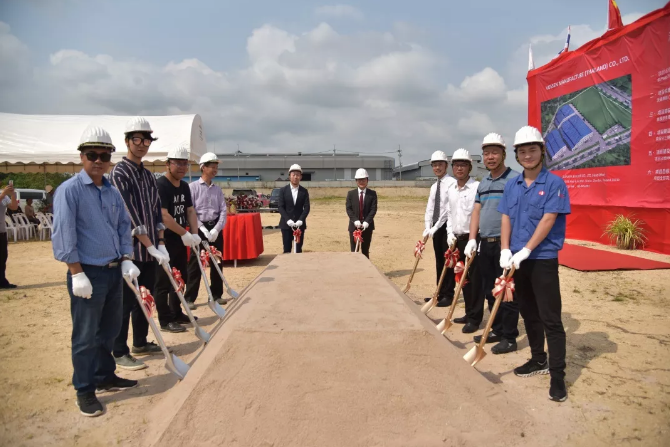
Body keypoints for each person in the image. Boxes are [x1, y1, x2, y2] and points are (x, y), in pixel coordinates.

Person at [51, 126, 141, 417]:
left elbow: (123, 227)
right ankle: (85, 389)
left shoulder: (112, 192)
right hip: (88, 273)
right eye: (92, 154)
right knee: (86, 336)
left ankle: (105, 375)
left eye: (104, 155)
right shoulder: (70, 191)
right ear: (82, 156)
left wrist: (127, 257)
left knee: (110, 330)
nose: (99, 160)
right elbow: (64, 234)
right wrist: (76, 272)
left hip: (114, 270)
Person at [498, 125, 571, 402]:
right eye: (522, 151)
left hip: (542, 260)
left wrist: (528, 249)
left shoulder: (554, 184)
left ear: (542, 151)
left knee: (550, 317)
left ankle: (558, 375)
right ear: (517, 155)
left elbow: (549, 218)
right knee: (528, 312)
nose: (527, 155)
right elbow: (506, 217)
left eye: (532, 149)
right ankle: (538, 359)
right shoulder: (513, 184)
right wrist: (506, 249)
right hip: (517, 261)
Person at [109, 117, 170, 370]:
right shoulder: (119, 173)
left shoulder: (147, 175)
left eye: (146, 140)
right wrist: (149, 244)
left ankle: (141, 342)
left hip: (150, 250)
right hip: (129, 251)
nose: (142, 144)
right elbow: (128, 212)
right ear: (127, 141)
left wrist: (161, 242)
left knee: (145, 297)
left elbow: (156, 210)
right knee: (125, 302)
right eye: (137, 139)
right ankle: (119, 350)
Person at [466, 133, 520, 354]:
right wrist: (472, 239)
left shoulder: (515, 179)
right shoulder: (483, 183)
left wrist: (509, 247)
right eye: (487, 153)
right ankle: (496, 329)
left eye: (495, 152)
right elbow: (476, 211)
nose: (490, 157)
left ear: (503, 154)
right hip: (485, 244)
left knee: (506, 291)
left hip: (505, 245)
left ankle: (509, 336)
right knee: (490, 290)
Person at [154, 143, 202, 332]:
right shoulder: (160, 185)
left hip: (181, 239)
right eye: (178, 163)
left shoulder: (184, 186)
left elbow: (190, 210)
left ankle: (177, 312)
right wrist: (185, 233)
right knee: (163, 281)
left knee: (180, 276)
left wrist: (195, 234)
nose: (182, 167)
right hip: (163, 240)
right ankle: (165, 320)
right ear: (168, 164)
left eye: (185, 164)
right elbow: (164, 215)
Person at [444, 149, 481, 334]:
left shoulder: (476, 188)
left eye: (463, 165)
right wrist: (449, 233)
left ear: (470, 167)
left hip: (472, 239)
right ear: (452, 167)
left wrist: (475, 239)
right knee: (462, 278)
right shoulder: (451, 189)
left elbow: (478, 215)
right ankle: (469, 313)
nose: (459, 168)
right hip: (457, 240)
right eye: (456, 165)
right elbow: (450, 214)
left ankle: (475, 318)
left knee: (474, 280)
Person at [185, 152, 228, 307]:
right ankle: (190, 297)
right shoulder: (192, 188)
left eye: (216, 166)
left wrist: (216, 229)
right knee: (195, 263)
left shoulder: (217, 190)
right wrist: (201, 228)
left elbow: (223, 210)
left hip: (215, 227)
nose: (215, 169)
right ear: (203, 168)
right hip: (198, 228)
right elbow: (190, 210)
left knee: (217, 261)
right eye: (212, 166)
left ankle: (216, 295)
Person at [422, 151, 456, 307]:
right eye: (434, 165)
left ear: (446, 166)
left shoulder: (452, 183)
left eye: (440, 164)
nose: (437, 167)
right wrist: (427, 226)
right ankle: (439, 292)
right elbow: (430, 207)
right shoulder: (434, 186)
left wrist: (435, 226)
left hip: (447, 227)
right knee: (438, 261)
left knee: (448, 261)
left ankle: (448, 295)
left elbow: (447, 209)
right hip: (435, 228)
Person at [345, 168, 378, 258]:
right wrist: (355, 220)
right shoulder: (351, 194)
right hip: (354, 227)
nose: (362, 182)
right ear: (356, 181)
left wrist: (367, 222)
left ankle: (366, 271)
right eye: (359, 180)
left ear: (367, 180)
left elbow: (373, 209)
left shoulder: (372, 194)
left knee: (365, 251)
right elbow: (349, 209)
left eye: (364, 179)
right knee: (354, 251)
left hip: (367, 228)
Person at [278, 164, 310, 253]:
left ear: (301, 177)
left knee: (298, 250)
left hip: (299, 225)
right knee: (287, 249)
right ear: (289, 176)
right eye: (293, 175)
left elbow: (307, 207)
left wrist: (301, 220)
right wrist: (288, 220)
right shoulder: (283, 190)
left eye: (298, 175)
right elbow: (280, 207)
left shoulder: (304, 191)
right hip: (286, 225)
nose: (295, 177)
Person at [0, 182, 19, 289]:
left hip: (2, 231)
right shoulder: (2, 195)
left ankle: (2, 281)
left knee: (2, 258)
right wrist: (3, 194)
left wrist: (13, 195)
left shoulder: (3, 195)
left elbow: (14, 207)